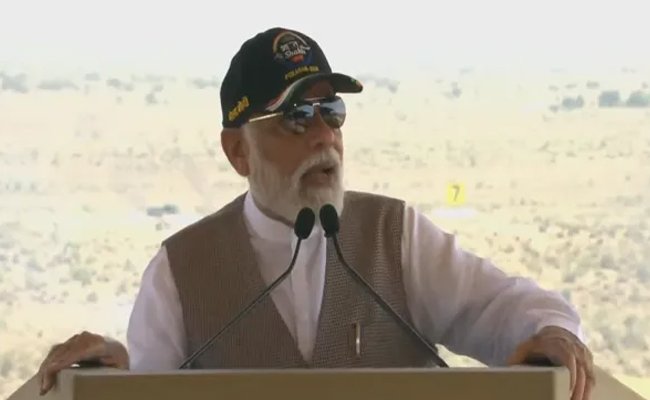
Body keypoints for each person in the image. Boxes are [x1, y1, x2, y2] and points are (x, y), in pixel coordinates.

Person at [37, 27, 595, 400]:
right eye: (297, 117)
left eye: (332, 110)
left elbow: (513, 309)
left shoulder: (394, 236)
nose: (325, 135)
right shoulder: (179, 270)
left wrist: (551, 333)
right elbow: (148, 389)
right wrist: (114, 380)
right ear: (238, 151)